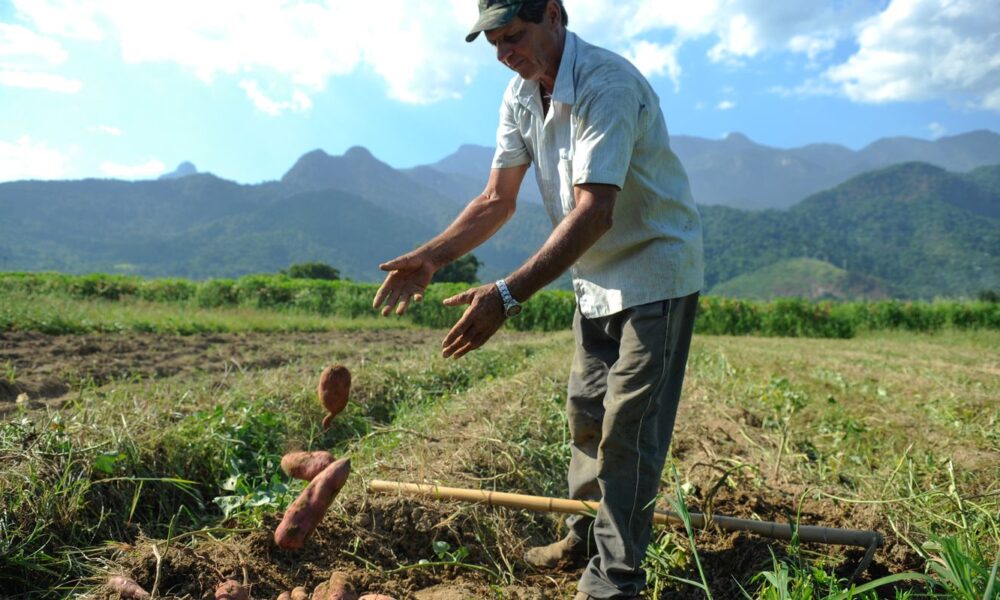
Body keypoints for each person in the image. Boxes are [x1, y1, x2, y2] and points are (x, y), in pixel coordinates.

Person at [372, 1, 704, 597]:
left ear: (553, 14)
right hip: (594, 280)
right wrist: (432, 257)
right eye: (496, 43)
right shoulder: (523, 94)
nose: (505, 54)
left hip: (655, 272)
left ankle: (613, 580)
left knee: (629, 430)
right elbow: (497, 198)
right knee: (586, 415)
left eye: (514, 36)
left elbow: (595, 211)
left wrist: (507, 294)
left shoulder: (608, 83)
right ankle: (584, 536)